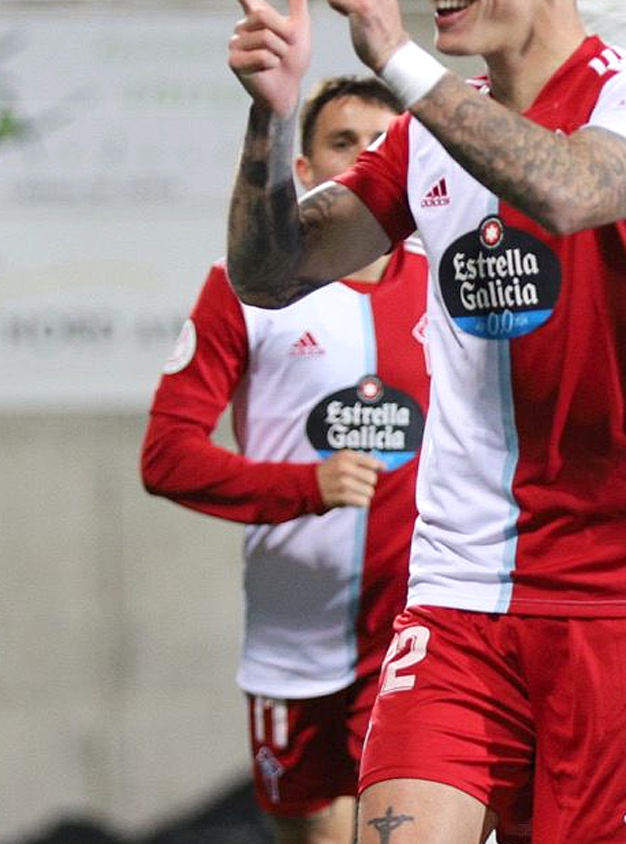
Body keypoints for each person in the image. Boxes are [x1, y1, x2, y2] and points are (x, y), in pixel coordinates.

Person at [213, 0, 626, 844]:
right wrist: (270, 124)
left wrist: (397, 61)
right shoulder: (423, 138)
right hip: (457, 602)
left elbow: (569, 189)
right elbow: (270, 274)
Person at [141, 76, 425, 844]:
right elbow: (166, 457)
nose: (367, 158)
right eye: (344, 142)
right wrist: (308, 487)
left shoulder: (450, 292)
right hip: (291, 644)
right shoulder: (243, 289)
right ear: (304, 172)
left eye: (384, 143)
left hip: (415, 640)